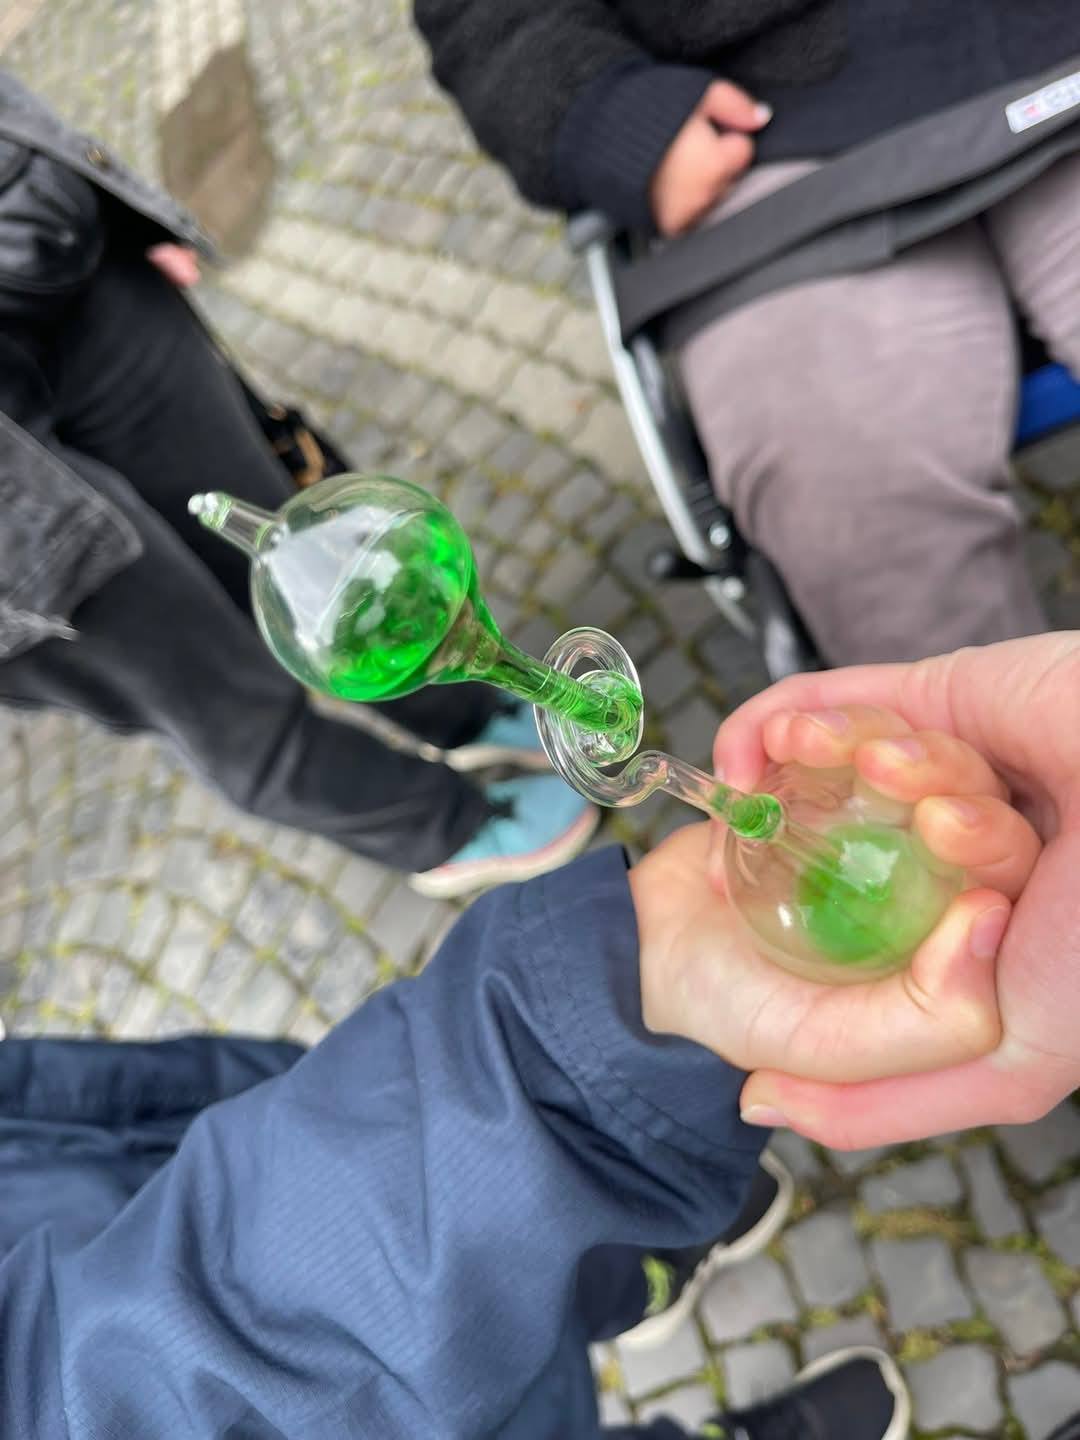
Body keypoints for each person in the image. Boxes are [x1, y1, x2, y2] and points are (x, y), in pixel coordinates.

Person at [0, 652, 1045, 1438]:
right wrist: (556, 1067)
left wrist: (605, 1070)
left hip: (153, 1163)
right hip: (338, 1273)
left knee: (548, 1278)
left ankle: (629, 1255)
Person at [0, 70, 596, 899]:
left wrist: (81, 188)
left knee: (310, 547)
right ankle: (444, 827)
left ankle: (467, 711)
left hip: (47, 258)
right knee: (217, 698)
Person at [413, 2, 1080, 664]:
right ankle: (985, 730)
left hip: (1050, 45)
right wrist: (609, 114)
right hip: (762, 125)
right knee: (844, 483)